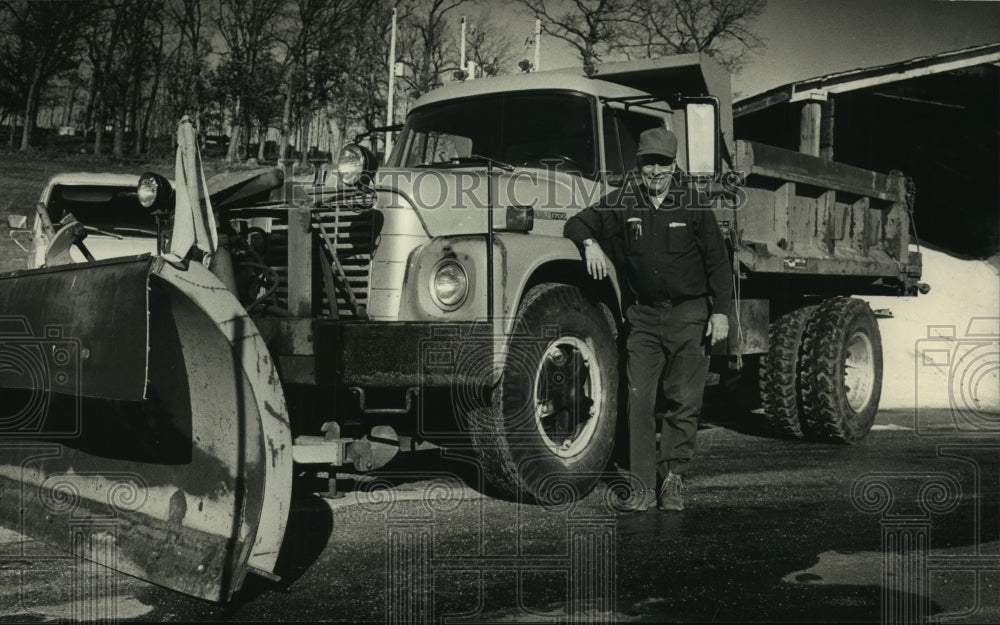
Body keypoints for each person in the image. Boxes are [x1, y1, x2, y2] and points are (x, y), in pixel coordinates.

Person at [563, 127, 732, 511]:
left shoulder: (693, 203)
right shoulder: (625, 199)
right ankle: (640, 487)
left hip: (689, 314)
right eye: (647, 162)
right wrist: (590, 245)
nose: (653, 170)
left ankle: (672, 479)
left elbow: (718, 263)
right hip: (642, 317)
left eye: (661, 162)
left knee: (683, 399)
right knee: (638, 400)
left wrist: (720, 311)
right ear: (638, 164)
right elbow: (577, 222)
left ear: (674, 165)